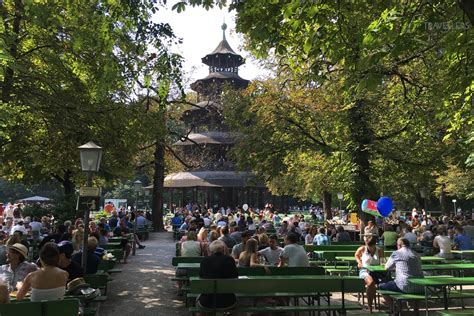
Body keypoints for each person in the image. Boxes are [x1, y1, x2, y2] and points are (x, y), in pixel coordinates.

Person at [379, 238, 424, 313]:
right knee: (414, 282)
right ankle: (416, 308)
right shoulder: (416, 254)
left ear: (399, 245)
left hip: (404, 286)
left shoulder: (397, 253)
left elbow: (387, 267)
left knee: (381, 287)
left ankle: (394, 309)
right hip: (421, 286)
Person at [197, 240, 238, 310]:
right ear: (223, 249)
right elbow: (235, 277)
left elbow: (201, 278)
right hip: (228, 301)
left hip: (207, 301)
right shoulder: (230, 260)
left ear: (211, 250)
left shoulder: (205, 261)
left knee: (198, 301)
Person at [355, 236, 384, 312]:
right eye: (368, 245)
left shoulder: (379, 250)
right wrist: (359, 262)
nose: (370, 247)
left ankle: (392, 307)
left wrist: (382, 264)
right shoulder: (362, 249)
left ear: (375, 244)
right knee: (371, 283)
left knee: (386, 282)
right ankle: (370, 306)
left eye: (371, 246)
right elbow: (356, 255)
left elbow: (382, 262)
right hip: (364, 270)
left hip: (377, 271)